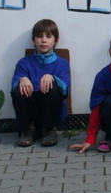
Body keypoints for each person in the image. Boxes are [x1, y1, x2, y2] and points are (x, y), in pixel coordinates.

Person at [11, 19, 71, 147]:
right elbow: (13, 88)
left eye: (48, 36)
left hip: (50, 110)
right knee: (19, 89)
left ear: (55, 40)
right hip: (30, 110)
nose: (43, 40)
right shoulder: (23, 63)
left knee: (53, 87)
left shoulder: (62, 64)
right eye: (39, 36)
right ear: (34, 40)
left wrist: (52, 78)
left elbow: (65, 89)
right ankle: (27, 130)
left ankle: (48, 130)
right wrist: (22, 79)